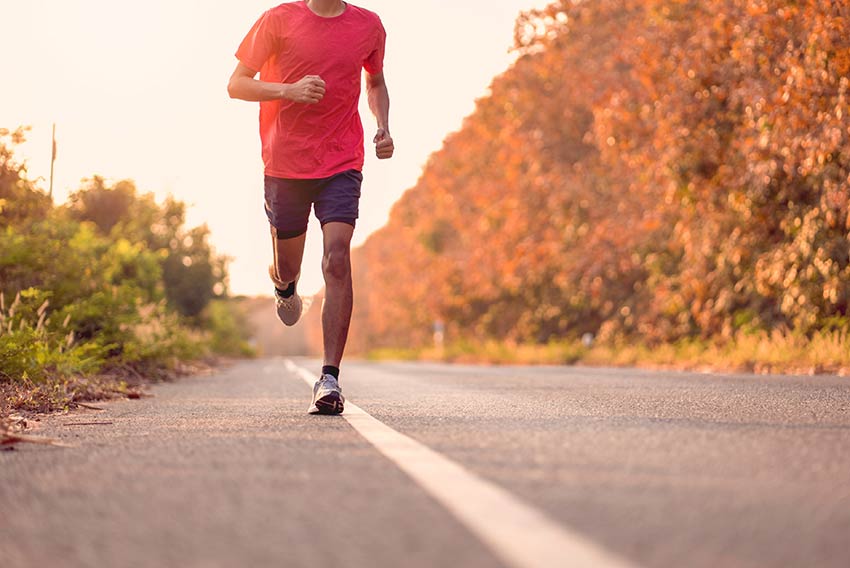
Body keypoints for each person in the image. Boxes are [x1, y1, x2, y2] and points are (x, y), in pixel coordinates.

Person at [228, 0, 393, 414]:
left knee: (337, 258)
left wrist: (383, 127)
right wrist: (289, 90)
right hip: (285, 163)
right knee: (290, 267)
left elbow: (374, 83)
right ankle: (284, 285)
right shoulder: (277, 20)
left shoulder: (368, 26)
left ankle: (330, 378)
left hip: (342, 159)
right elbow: (237, 84)